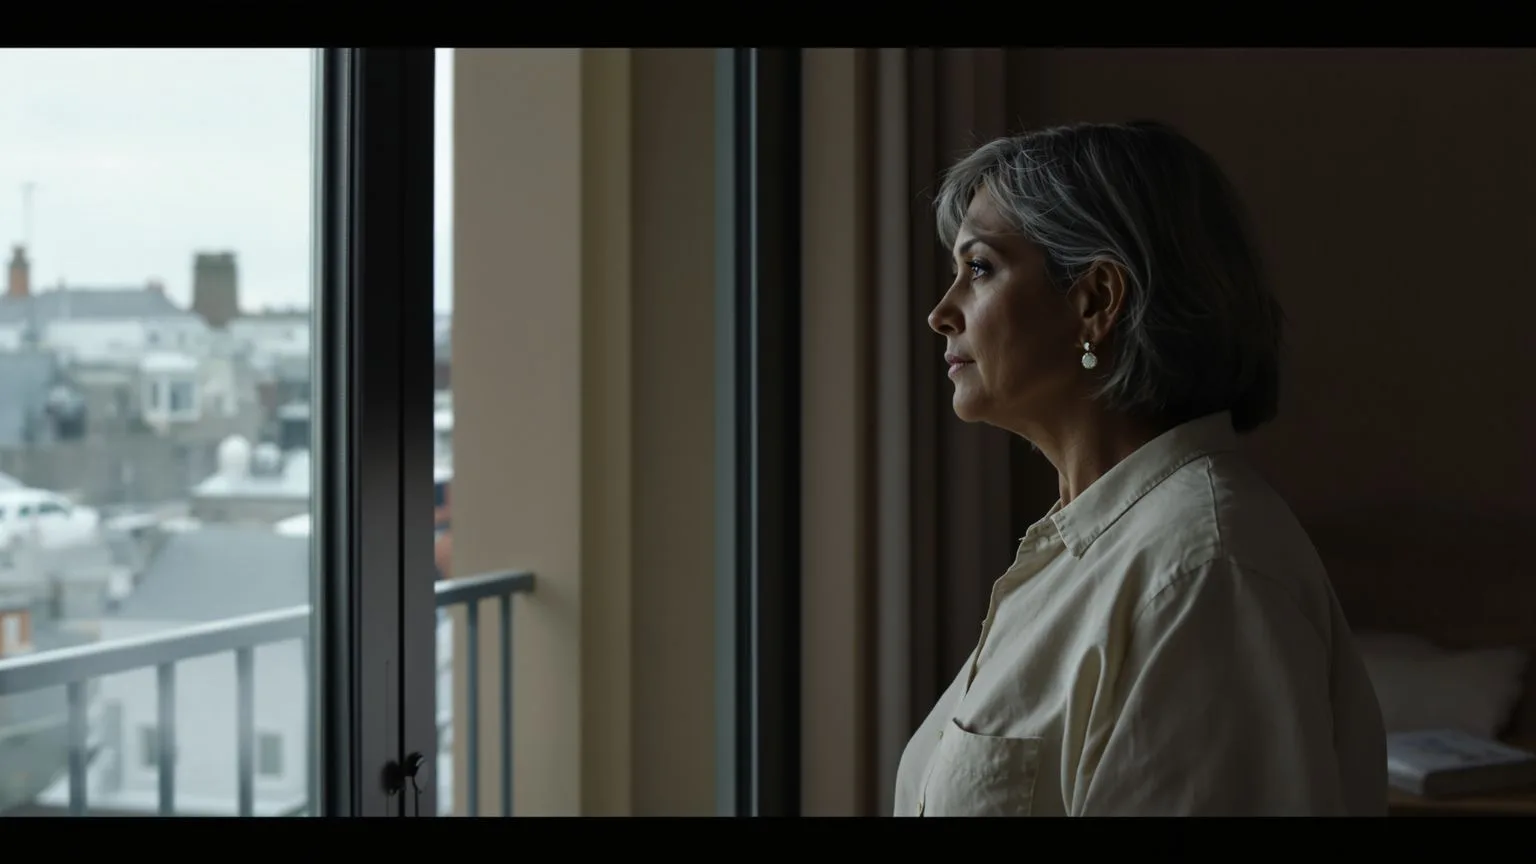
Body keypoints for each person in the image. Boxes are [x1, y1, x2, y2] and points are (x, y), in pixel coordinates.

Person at [893, 121, 1386, 817]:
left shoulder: (1203, 572)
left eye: (979, 268)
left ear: (1095, 300)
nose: (941, 314)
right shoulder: (1089, 553)